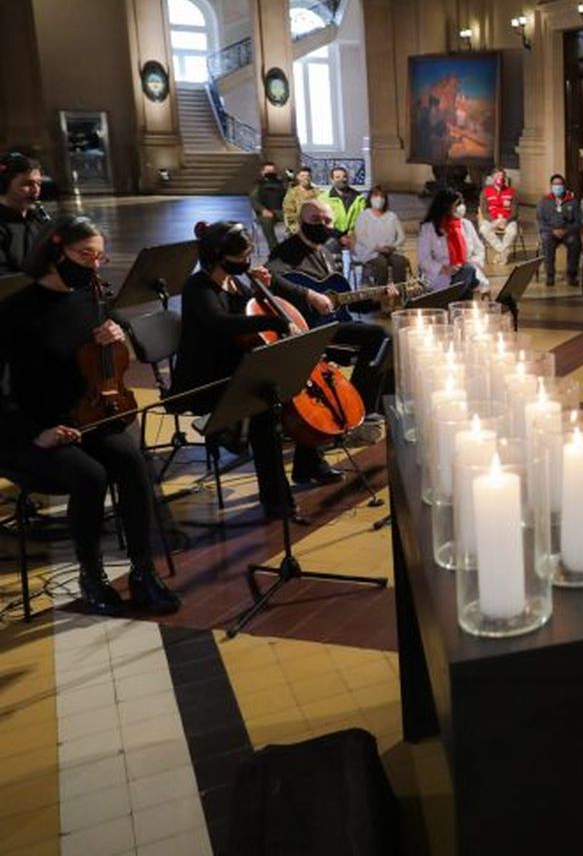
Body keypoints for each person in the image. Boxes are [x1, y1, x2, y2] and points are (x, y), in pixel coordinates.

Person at [0, 215, 179, 615]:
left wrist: (120, 334)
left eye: (99, 257)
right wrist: (36, 433)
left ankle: (142, 570)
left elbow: (113, 352)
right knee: (90, 475)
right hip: (31, 430)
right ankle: (91, 575)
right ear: (54, 252)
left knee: (133, 463)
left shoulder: (91, 299)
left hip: (86, 415)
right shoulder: (14, 312)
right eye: (86, 256)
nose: (95, 267)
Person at [172, 220, 338, 510]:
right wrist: (277, 321)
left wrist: (262, 289)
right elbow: (222, 324)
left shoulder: (235, 281)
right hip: (207, 378)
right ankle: (276, 501)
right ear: (217, 256)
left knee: (293, 385)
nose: (246, 262)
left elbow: (254, 312)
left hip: (236, 368)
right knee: (266, 414)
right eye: (241, 258)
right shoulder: (197, 287)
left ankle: (308, 463)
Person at [267, 200, 393, 454]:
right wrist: (309, 295)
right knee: (377, 335)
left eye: (327, 221)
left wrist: (377, 300)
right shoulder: (286, 250)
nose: (322, 225)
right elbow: (272, 279)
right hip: (308, 330)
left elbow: (343, 302)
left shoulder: (325, 252)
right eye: (316, 220)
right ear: (302, 221)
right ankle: (357, 411)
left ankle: (370, 408)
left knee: (387, 339)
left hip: (334, 323)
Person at [417, 187, 487, 298]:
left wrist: (470, 262)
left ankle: (458, 298)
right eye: (456, 205)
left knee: (468, 271)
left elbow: (479, 249)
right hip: (441, 275)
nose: (460, 208)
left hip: (465, 269)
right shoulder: (428, 228)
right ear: (445, 207)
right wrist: (444, 269)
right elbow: (423, 260)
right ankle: (451, 298)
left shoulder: (466, 224)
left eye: (461, 203)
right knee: (468, 277)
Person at [0, 151, 51, 276]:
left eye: (38, 183)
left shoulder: (37, 217)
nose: (36, 190)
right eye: (27, 184)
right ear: (3, 185)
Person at [350, 185, 409, 286]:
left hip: (390, 250)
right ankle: (380, 294)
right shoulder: (364, 216)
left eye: (382, 196)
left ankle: (400, 292)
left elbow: (401, 236)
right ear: (370, 198)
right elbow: (361, 237)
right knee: (381, 264)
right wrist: (377, 247)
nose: (379, 199)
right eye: (376, 196)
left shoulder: (391, 216)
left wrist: (393, 246)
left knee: (400, 262)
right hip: (370, 251)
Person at [537, 173, 582, 286]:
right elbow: (540, 222)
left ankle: (571, 274)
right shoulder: (544, 202)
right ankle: (550, 274)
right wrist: (552, 231)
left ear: (564, 186)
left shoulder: (573, 202)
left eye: (560, 184)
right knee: (546, 241)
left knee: (575, 242)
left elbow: (578, 221)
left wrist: (566, 230)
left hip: (568, 232)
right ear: (551, 186)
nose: (558, 187)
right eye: (555, 184)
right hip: (550, 232)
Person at [478, 169, 519, 266]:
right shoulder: (485, 192)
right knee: (484, 229)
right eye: (497, 176)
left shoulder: (512, 192)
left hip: (508, 219)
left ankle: (500, 255)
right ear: (492, 178)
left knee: (512, 232)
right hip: (492, 220)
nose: (500, 179)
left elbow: (515, 211)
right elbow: (484, 211)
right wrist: (494, 221)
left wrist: (506, 220)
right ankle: (503, 251)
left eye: (502, 176)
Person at [247, 161, 286, 250]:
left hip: (281, 212)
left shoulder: (282, 183)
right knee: (266, 221)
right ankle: (275, 250)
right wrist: (263, 210)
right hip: (265, 213)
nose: (270, 173)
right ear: (262, 172)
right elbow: (253, 200)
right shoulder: (258, 185)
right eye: (268, 171)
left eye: (272, 171)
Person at [282, 167, 320, 236]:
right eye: (302, 176)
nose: (305, 178)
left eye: (308, 176)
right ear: (298, 177)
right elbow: (288, 212)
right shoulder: (292, 193)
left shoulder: (318, 192)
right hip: (298, 224)